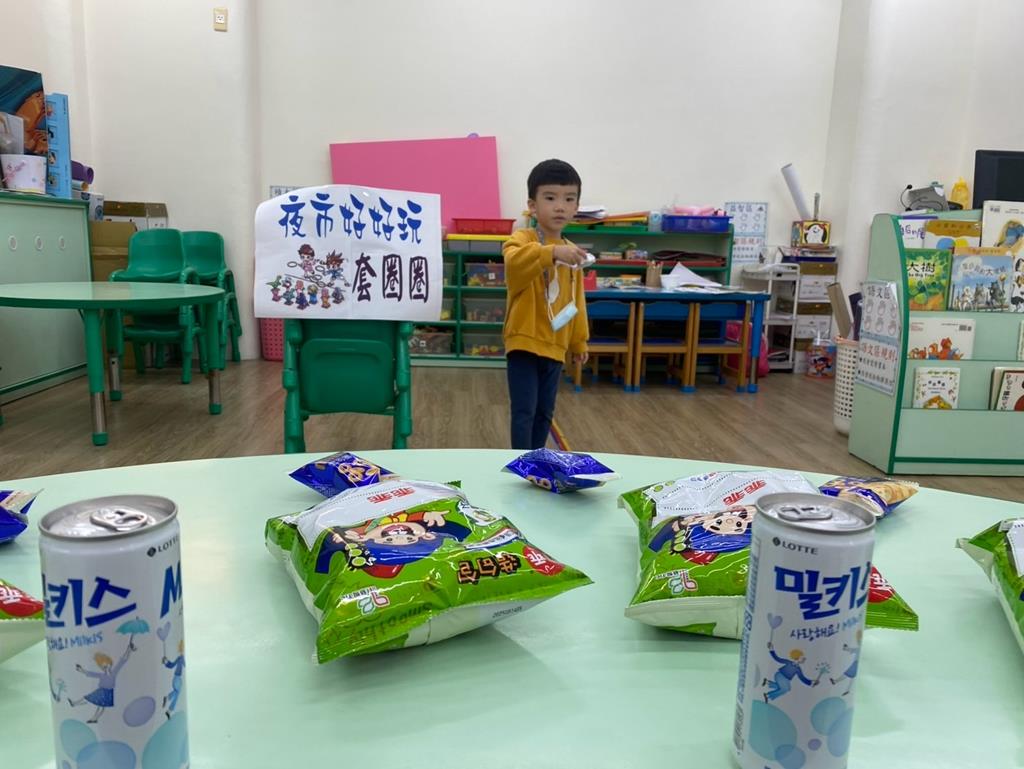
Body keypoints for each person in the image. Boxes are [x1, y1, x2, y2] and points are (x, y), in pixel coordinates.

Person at [502, 159, 590, 450]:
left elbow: (577, 300)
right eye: (550, 198)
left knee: (544, 413)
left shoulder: (572, 252)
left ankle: (536, 459)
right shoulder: (522, 239)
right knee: (524, 411)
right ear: (532, 205)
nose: (560, 207)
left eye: (569, 199)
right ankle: (521, 463)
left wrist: (579, 341)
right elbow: (514, 264)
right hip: (524, 342)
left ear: (577, 207)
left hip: (556, 343)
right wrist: (551, 253)